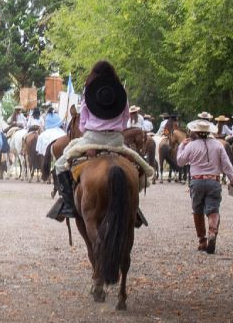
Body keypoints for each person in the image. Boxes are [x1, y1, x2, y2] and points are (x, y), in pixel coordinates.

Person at [47, 60, 154, 223]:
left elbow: (82, 126)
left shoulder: (87, 95)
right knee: (140, 169)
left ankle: (68, 204)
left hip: (91, 139)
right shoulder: (121, 95)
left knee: (61, 164)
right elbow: (125, 122)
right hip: (117, 141)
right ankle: (133, 206)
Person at [180, 118, 233, 253]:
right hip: (214, 181)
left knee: (197, 210)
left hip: (197, 181)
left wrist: (181, 146)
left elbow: (180, 161)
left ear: (196, 131)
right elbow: (227, 165)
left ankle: (202, 241)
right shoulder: (218, 145)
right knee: (213, 209)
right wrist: (232, 180)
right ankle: (212, 233)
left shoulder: (191, 145)